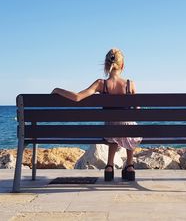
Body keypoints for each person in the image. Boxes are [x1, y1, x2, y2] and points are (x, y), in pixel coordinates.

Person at [51, 48, 141, 181]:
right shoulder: (130, 84)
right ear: (122, 65)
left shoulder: (101, 84)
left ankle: (109, 166)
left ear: (106, 65)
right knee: (129, 125)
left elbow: (77, 97)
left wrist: (57, 89)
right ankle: (130, 165)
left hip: (109, 130)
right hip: (128, 130)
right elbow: (138, 110)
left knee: (114, 127)